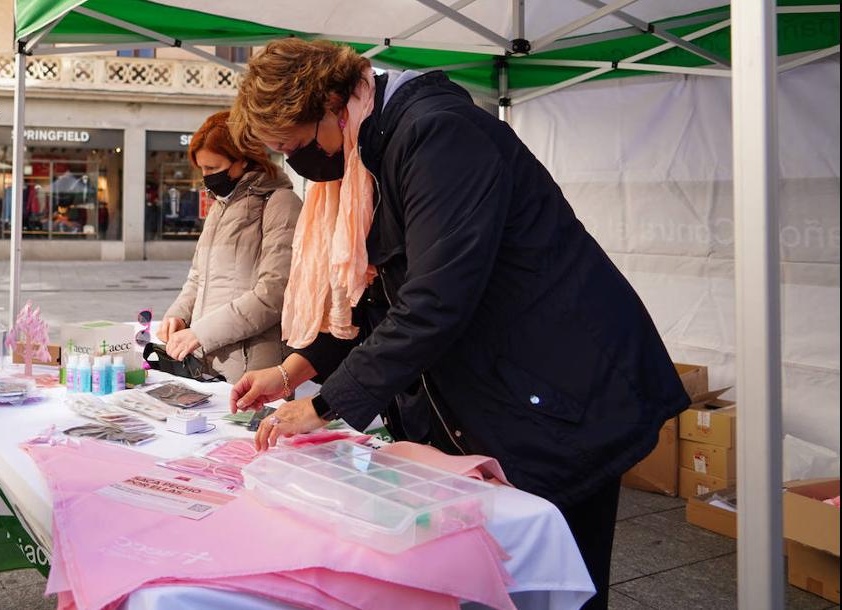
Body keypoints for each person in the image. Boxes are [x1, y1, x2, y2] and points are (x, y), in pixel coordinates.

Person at [227, 39, 689, 609]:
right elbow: (374, 302)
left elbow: (434, 300)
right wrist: (292, 371)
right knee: (494, 573)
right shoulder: (371, 150)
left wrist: (325, 405)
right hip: (511, 386)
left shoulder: (435, 135)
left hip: (563, 388)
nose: (301, 164)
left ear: (331, 101)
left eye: (296, 145)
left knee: (557, 576)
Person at [157, 111, 302, 382]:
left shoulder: (281, 204)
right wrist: (178, 314)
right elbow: (198, 276)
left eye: (212, 169)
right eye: (201, 169)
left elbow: (273, 294)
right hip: (205, 359)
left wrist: (201, 334)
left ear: (243, 160)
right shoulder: (219, 207)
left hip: (253, 365)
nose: (206, 177)